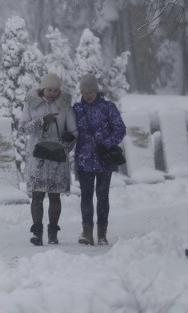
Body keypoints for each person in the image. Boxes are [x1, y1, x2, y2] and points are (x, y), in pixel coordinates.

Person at [19, 72, 77, 245]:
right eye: (49, 90)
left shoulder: (65, 106)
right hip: (38, 156)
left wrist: (67, 145)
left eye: (56, 90)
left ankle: (53, 231)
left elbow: (74, 132)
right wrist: (42, 121)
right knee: (37, 195)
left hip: (58, 157)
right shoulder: (31, 104)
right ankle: (37, 232)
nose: (53, 93)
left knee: (54, 196)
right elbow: (22, 128)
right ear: (43, 89)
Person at [72, 73, 126, 246]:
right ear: (81, 91)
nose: (88, 94)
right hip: (84, 160)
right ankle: (87, 233)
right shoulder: (77, 109)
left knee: (103, 196)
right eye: (85, 91)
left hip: (104, 160)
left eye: (91, 91)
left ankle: (102, 234)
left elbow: (120, 129)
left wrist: (107, 143)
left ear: (96, 90)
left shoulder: (108, 107)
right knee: (86, 196)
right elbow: (71, 131)